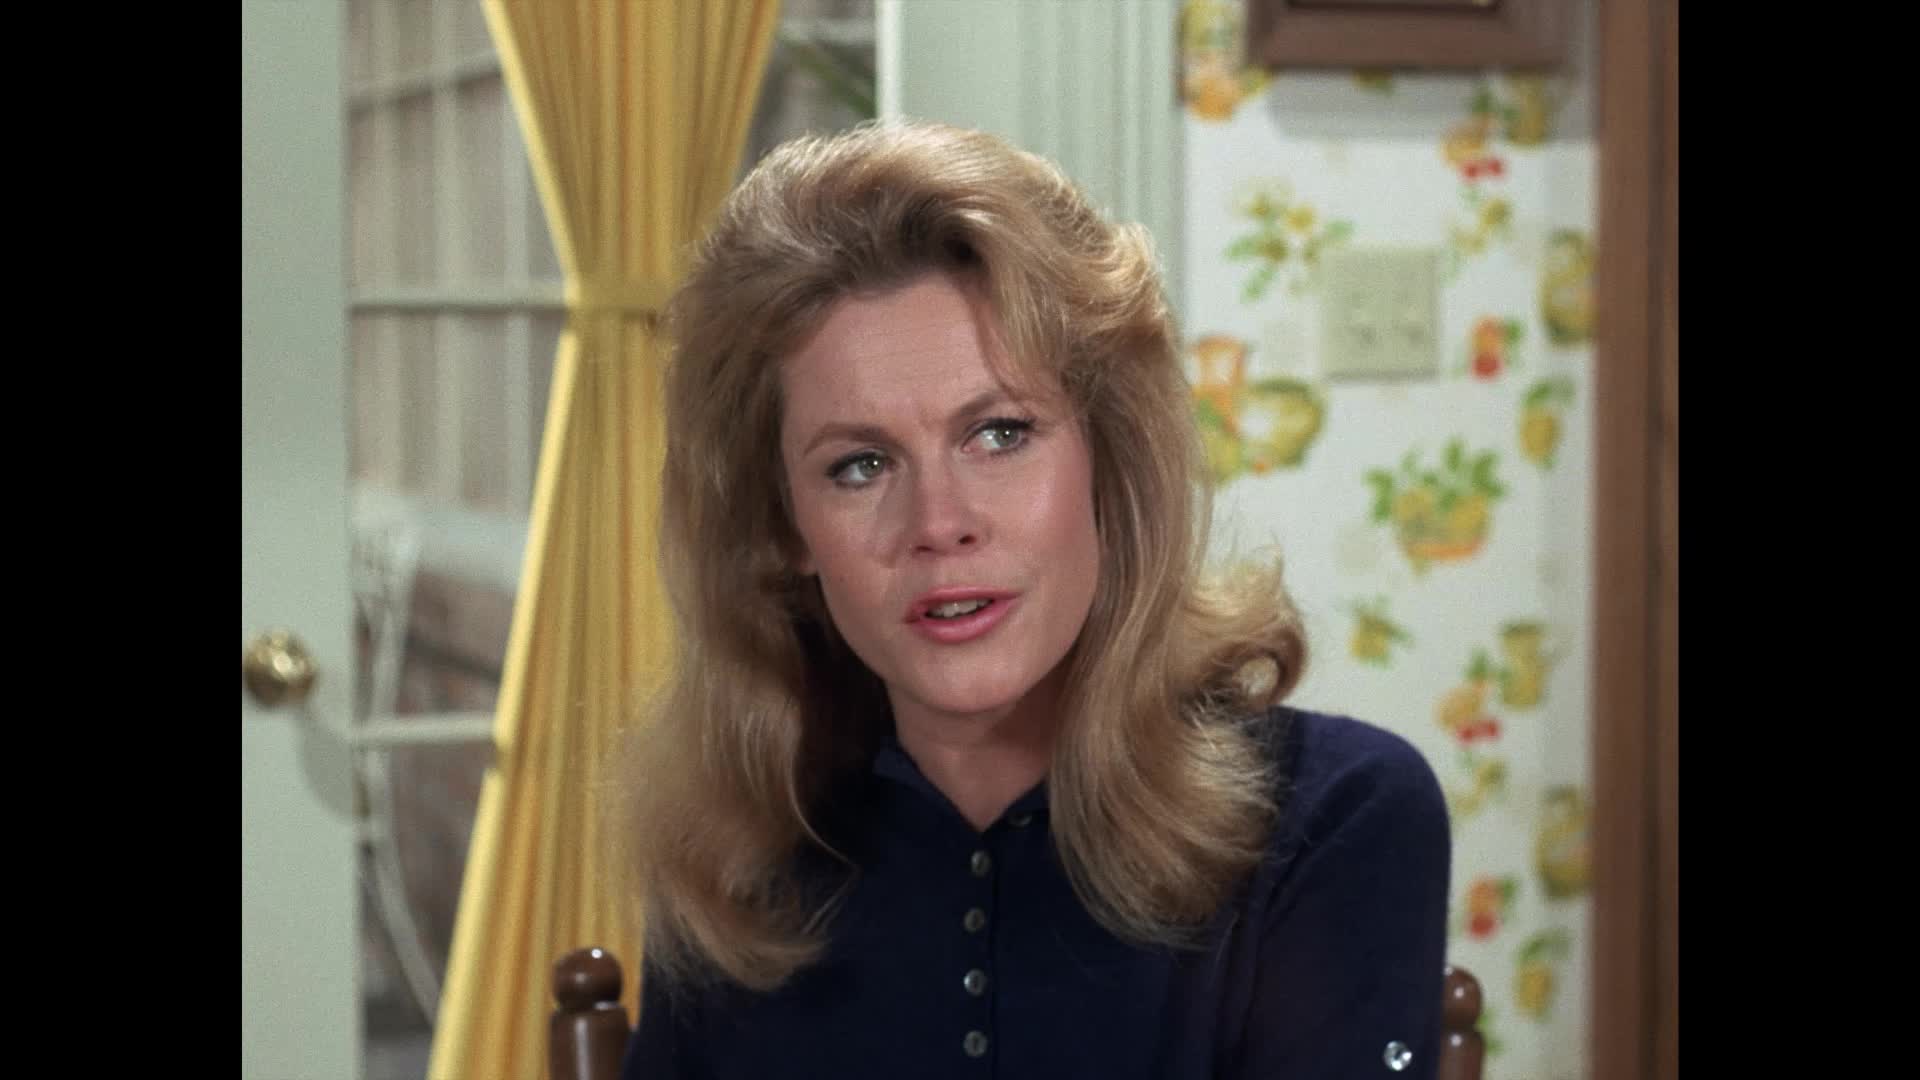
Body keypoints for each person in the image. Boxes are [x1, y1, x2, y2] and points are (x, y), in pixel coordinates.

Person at [613, 120, 1451, 1079]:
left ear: (1107, 460)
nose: (940, 523)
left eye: (1001, 434)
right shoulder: (732, 857)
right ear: (783, 526)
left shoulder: (1335, 821)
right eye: (860, 464)